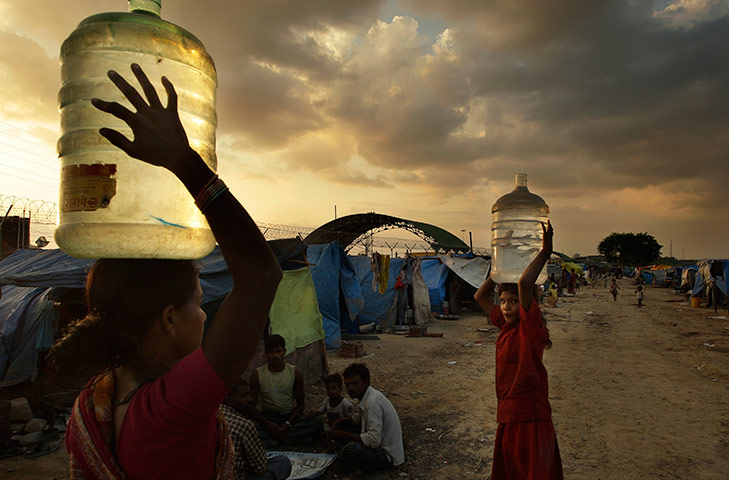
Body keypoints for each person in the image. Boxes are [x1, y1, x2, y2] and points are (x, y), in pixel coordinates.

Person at [45, 64, 283, 479]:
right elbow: (262, 274)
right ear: (169, 319)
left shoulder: (95, 401)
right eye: (198, 302)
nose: (205, 314)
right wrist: (184, 162)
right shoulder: (174, 407)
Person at [473, 221, 563, 480]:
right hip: (509, 415)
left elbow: (524, 284)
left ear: (527, 305)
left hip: (530, 417)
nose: (506, 306)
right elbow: (480, 297)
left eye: (513, 302)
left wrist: (545, 252)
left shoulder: (529, 329)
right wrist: (499, 269)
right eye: (502, 301)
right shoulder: (505, 327)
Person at [247, 334, 323, 445]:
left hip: (289, 416)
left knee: (318, 421)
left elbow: (301, 405)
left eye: (278, 351)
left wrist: (287, 423)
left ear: (284, 351)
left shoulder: (294, 372)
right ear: (266, 354)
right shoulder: (257, 374)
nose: (275, 356)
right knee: (249, 425)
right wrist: (268, 424)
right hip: (268, 416)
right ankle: (288, 439)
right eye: (271, 352)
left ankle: (274, 439)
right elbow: (251, 405)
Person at [328, 363, 405, 471]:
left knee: (352, 448)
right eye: (347, 384)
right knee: (344, 427)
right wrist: (342, 421)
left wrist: (344, 436)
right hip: (380, 444)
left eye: (355, 383)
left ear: (366, 382)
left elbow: (373, 440)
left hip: (387, 456)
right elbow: (362, 418)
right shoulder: (367, 396)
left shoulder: (372, 402)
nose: (350, 388)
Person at [220, 381, 292, 480]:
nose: (250, 399)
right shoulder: (244, 425)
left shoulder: (212, 415)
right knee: (282, 462)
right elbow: (260, 468)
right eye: (244, 395)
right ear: (229, 399)